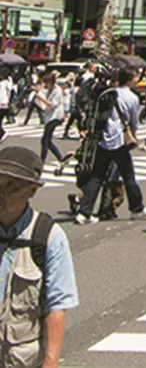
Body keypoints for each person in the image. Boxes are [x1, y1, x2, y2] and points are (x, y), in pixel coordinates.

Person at [0, 145, 78, 368]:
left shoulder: (46, 236)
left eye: (11, 187)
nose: (1, 192)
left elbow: (57, 305)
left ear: (32, 191)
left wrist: (50, 363)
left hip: (21, 358)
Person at [74, 69, 146, 224]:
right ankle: (136, 208)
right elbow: (133, 121)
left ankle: (84, 213)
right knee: (128, 175)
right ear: (130, 79)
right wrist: (133, 135)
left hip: (103, 139)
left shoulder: (108, 93)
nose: (138, 79)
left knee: (97, 176)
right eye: (136, 77)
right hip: (119, 141)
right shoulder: (132, 97)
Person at [35, 73, 69, 173]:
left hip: (55, 117)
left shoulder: (57, 91)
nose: (46, 85)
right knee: (47, 140)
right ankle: (61, 158)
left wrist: (41, 99)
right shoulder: (51, 90)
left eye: (47, 82)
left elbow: (52, 104)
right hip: (50, 117)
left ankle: (41, 162)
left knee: (45, 139)